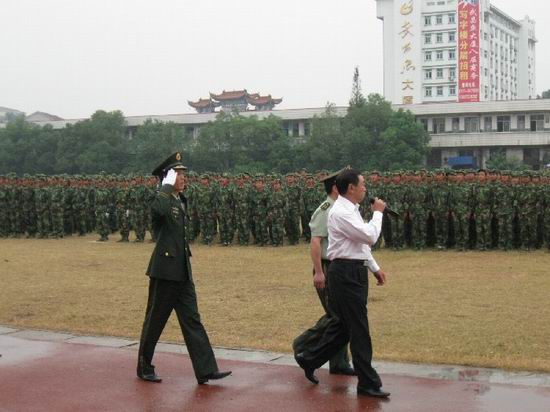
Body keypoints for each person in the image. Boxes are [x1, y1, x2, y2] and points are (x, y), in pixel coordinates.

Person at [294, 168, 390, 398]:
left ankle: (309, 357)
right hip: (345, 273)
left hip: (353, 270)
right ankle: (367, 382)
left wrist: (374, 268)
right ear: (351, 188)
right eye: (362, 184)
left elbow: (359, 245)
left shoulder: (351, 209)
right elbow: (370, 236)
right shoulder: (340, 212)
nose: (365, 188)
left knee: (344, 326)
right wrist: (378, 213)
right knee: (359, 329)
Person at [137, 152, 231, 385]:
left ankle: (206, 369)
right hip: (165, 271)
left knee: (192, 320)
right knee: (155, 320)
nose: (183, 177)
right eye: (178, 174)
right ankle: (144, 366)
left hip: (182, 270)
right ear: (167, 177)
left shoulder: (180, 199)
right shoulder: (162, 197)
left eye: (183, 174)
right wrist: (165, 186)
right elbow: (158, 212)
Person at [293, 168, 356, 376]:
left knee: (338, 317)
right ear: (336, 188)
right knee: (337, 317)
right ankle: (302, 344)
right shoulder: (326, 209)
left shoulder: (340, 208)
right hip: (327, 266)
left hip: (338, 266)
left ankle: (339, 363)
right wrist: (319, 272)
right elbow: (315, 242)